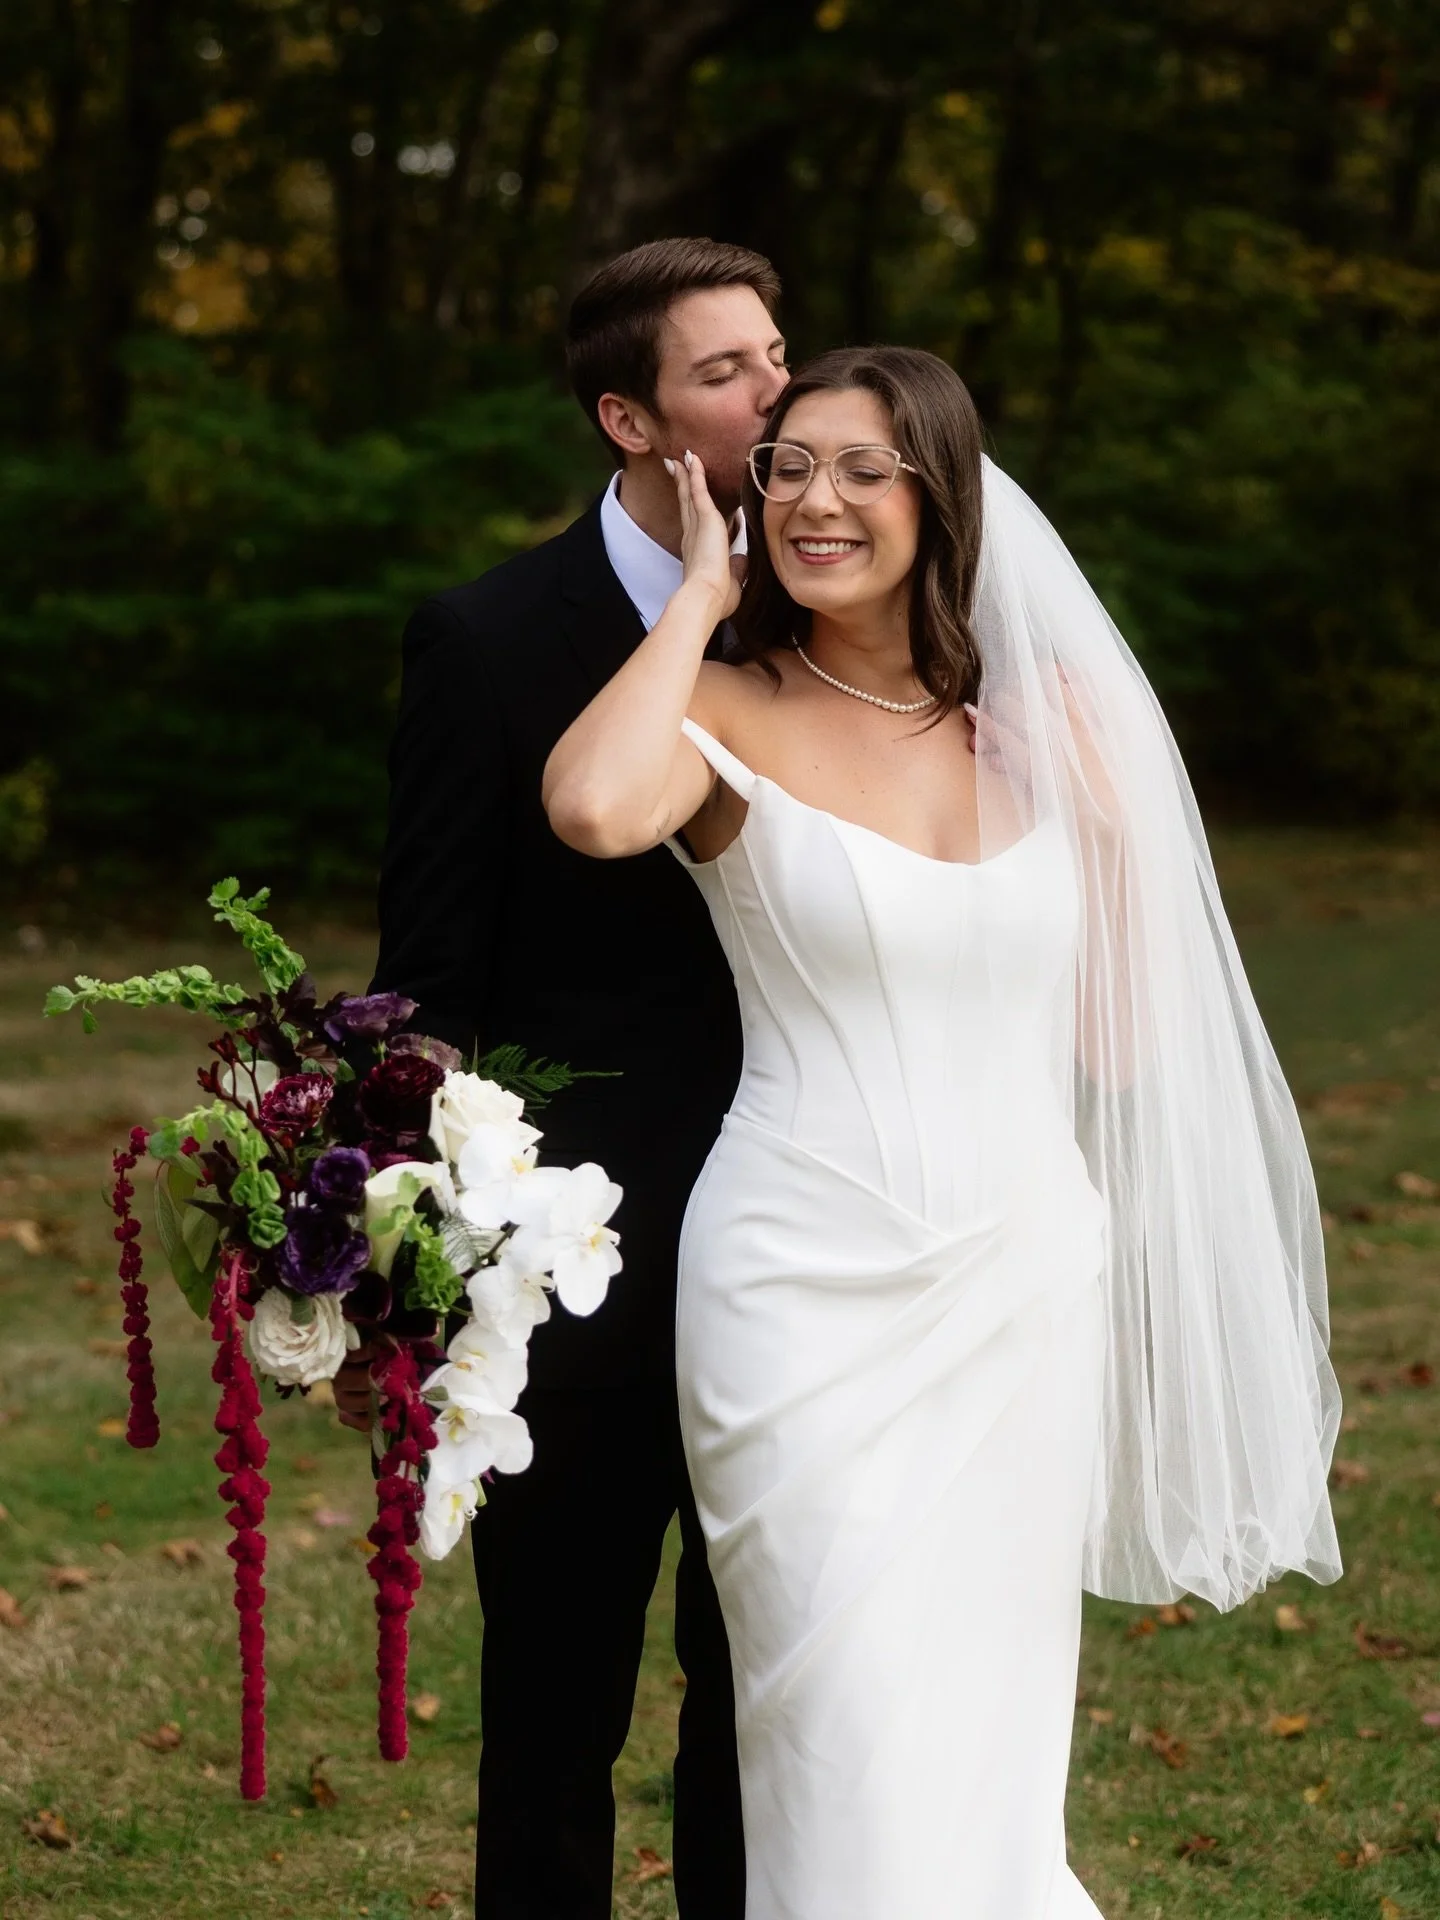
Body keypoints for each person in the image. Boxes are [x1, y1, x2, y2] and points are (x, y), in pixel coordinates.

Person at [543, 345, 1342, 1918]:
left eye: (861, 468)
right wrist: (695, 598)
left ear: (940, 497)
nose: (815, 500)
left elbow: (1117, 1045)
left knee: (984, 1740)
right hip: (800, 1287)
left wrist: (1102, 831)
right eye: (786, 466)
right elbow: (587, 806)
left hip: (1021, 1285)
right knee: (836, 1723)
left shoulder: (1036, 730)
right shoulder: (717, 706)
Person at [356, 236, 789, 1920]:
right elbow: (431, 980)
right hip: (574, 1269)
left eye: (776, 354)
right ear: (631, 417)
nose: (774, 389)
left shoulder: (834, 612)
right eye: (726, 372)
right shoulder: (483, 638)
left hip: (804, 1240)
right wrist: (412, 1252)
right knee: (554, 1710)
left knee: (760, 1697)